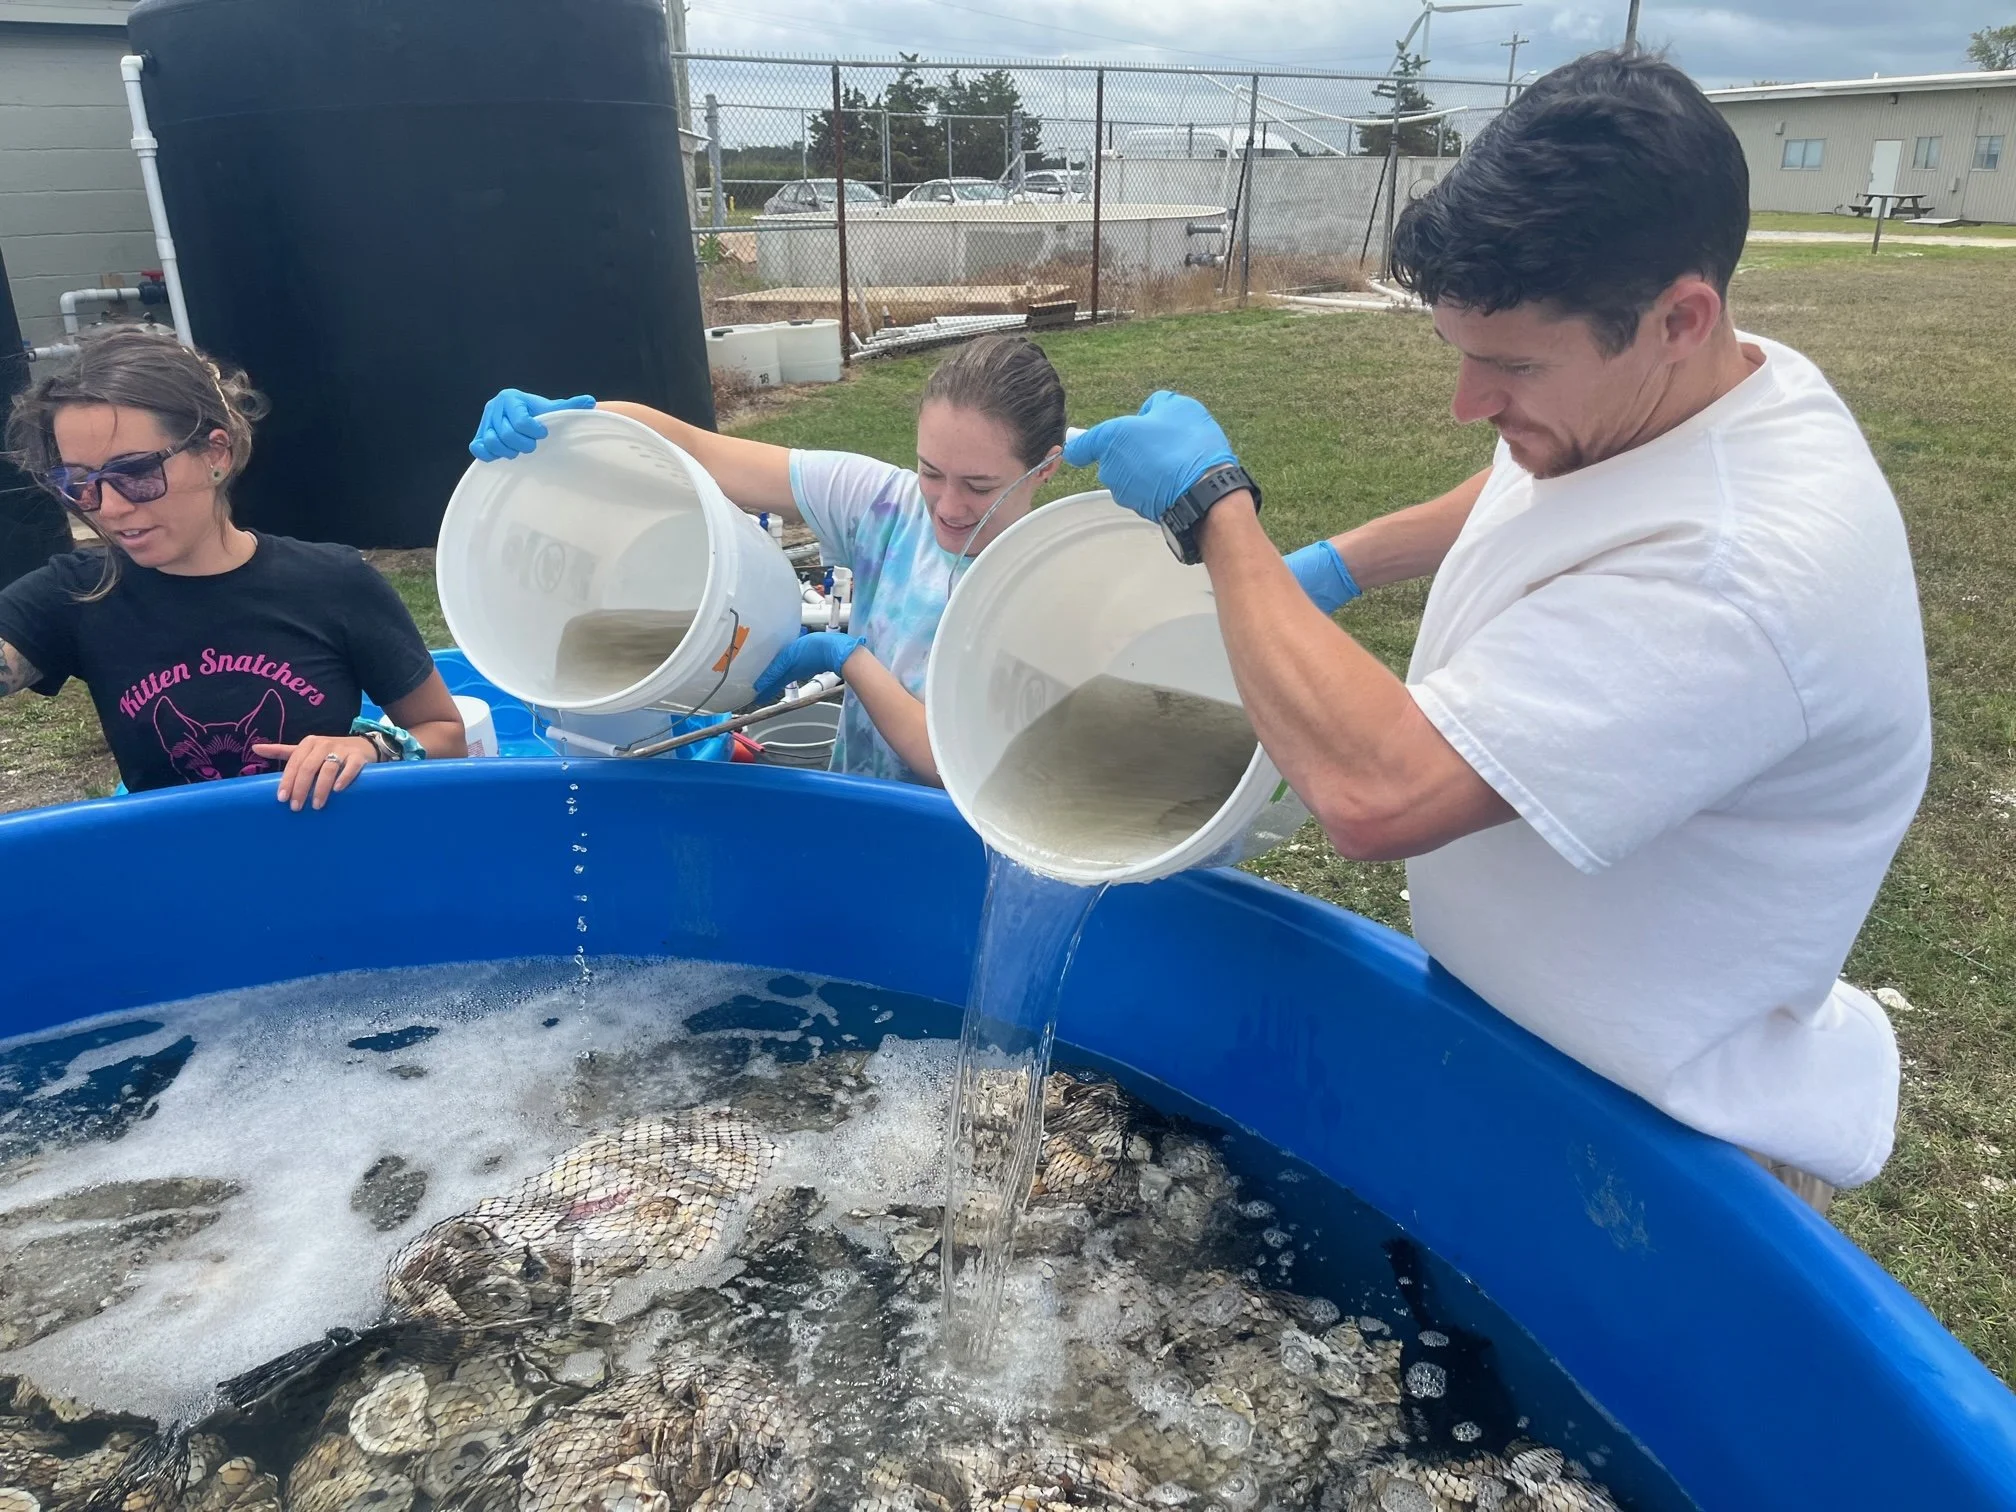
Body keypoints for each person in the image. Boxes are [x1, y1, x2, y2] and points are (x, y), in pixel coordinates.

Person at [1064, 50, 1930, 1210]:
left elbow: (1379, 794)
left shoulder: (1748, 570)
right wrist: (1337, 568)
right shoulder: (1681, 397)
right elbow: (1524, 487)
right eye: (1461, 353)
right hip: (1551, 1056)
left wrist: (1220, 516)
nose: (1472, 404)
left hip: (1666, 1153)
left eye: (1512, 364)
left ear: (1681, 315)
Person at [468, 333, 1065, 785]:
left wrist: (849, 659)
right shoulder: (885, 504)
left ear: (1045, 468)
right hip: (856, 806)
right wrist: (575, 421)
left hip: (958, 846)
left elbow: (952, 762)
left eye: (980, 487)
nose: (948, 504)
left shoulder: (1050, 588)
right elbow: (702, 450)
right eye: (931, 471)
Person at [0, 329, 465, 809]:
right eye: (79, 482)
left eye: (136, 472)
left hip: (329, 862)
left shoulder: (333, 583)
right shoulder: (77, 592)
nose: (109, 507)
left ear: (214, 454)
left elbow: (444, 733)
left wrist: (371, 748)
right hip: (179, 867)